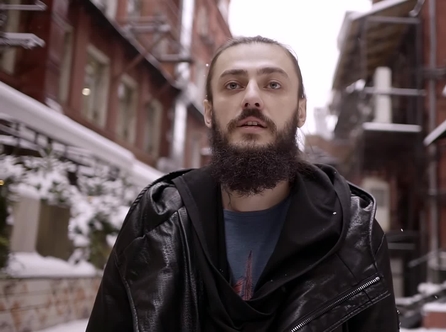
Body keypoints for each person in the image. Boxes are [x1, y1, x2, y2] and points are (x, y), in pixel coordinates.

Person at [86, 35, 399, 332]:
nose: (251, 97)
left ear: (301, 110)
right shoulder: (155, 221)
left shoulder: (355, 233)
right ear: (208, 112)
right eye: (233, 85)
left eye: (273, 84)